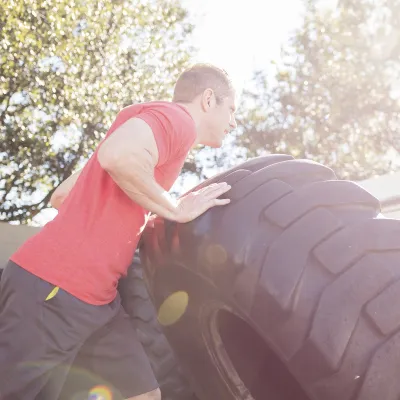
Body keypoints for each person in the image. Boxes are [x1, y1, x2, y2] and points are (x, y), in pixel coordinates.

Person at [0, 63, 237, 400]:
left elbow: (62, 195)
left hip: (98, 301)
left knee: (142, 394)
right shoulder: (177, 120)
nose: (233, 121)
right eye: (231, 109)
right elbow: (117, 156)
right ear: (208, 99)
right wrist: (174, 209)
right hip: (55, 287)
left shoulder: (145, 126)